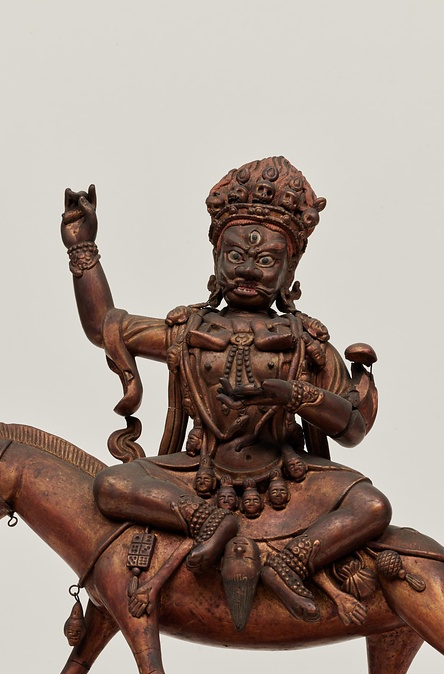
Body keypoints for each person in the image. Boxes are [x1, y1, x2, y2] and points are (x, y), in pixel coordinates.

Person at [62, 157, 391, 621]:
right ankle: (209, 522)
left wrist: (294, 395)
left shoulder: (308, 342)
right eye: (235, 256)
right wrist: (83, 249)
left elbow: (352, 428)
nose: (248, 271)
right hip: (199, 473)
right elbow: (104, 326)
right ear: (216, 261)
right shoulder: (186, 330)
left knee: (372, 506)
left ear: (289, 272)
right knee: (110, 484)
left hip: (285, 475)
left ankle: (292, 561)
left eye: (266, 261)